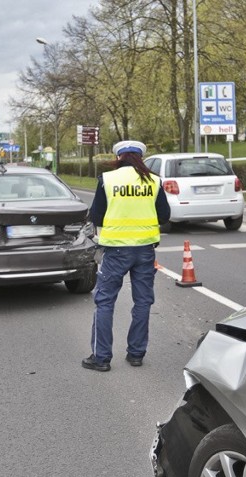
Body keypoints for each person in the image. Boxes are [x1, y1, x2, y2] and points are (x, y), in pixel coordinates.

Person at [82, 140, 171, 372]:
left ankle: (101, 358)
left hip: (116, 250)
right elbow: (164, 215)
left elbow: (97, 216)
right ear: (140, 158)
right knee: (142, 302)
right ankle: (136, 354)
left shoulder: (108, 180)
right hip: (145, 249)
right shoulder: (153, 181)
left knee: (105, 302)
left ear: (119, 157)